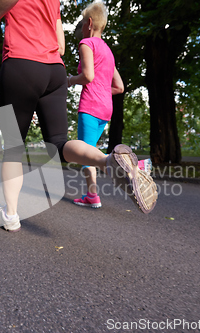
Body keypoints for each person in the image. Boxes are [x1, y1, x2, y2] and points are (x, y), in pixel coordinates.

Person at [0, 0, 158, 232]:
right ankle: (108, 161)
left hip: (20, 62)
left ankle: (10, 215)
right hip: (54, 70)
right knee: (58, 142)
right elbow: (60, 46)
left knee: (13, 146)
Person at [67, 2, 124, 209]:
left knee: (86, 153)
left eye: (82, 23)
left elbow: (88, 76)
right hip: (105, 109)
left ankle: (129, 167)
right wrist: (102, 90)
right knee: (90, 150)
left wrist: (70, 80)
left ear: (89, 23)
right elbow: (119, 87)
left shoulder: (86, 44)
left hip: (90, 106)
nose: (81, 27)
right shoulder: (108, 52)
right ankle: (92, 194)